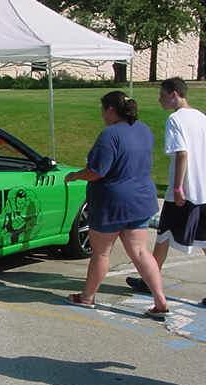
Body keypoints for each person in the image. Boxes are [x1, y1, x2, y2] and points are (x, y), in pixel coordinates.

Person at [65, 91, 169, 318]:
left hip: (111, 203)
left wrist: (75, 175)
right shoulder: (144, 129)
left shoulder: (109, 135)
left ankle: (87, 297)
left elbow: (97, 171)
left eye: (103, 109)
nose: (102, 114)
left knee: (101, 253)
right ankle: (160, 300)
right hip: (141, 200)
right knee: (140, 251)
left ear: (111, 109)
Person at [125, 78, 206, 308]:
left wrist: (178, 187)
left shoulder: (175, 119)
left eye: (162, 95)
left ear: (174, 94)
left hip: (184, 191)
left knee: (164, 234)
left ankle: (149, 279)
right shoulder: (202, 117)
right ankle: (149, 278)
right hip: (203, 190)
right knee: (177, 237)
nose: (159, 99)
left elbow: (182, 153)